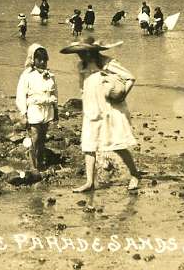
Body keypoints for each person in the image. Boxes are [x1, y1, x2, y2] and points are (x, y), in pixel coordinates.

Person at [59, 36, 140, 193]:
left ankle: (135, 175)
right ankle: (90, 182)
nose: (81, 55)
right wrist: (85, 100)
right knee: (89, 146)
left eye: (84, 52)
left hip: (110, 110)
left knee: (117, 144)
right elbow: (82, 86)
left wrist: (122, 95)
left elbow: (130, 77)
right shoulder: (81, 65)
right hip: (91, 109)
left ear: (92, 51)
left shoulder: (108, 63)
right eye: (79, 53)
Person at [16, 44, 59, 171]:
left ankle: (40, 162)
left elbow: (55, 93)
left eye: (45, 60)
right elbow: (21, 95)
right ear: (33, 60)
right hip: (34, 110)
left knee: (42, 138)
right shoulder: (27, 75)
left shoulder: (51, 75)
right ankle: (33, 165)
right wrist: (23, 113)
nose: (42, 62)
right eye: (39, 59)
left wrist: (56, 111)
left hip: (47, 111)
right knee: (34, 137)